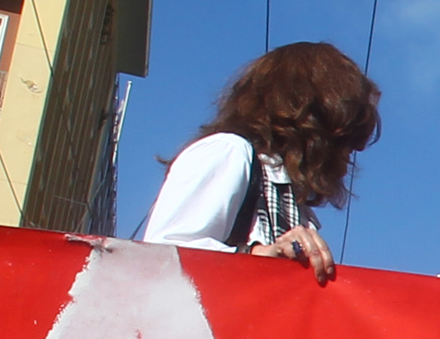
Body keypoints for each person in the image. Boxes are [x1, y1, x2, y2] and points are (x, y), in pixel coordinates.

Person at [136, 43, 378, 283]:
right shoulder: (229, 152)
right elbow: (164, 256)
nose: (349, 154)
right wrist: (256, 256)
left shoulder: (292, 204)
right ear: (313, 122)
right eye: (344, 140)